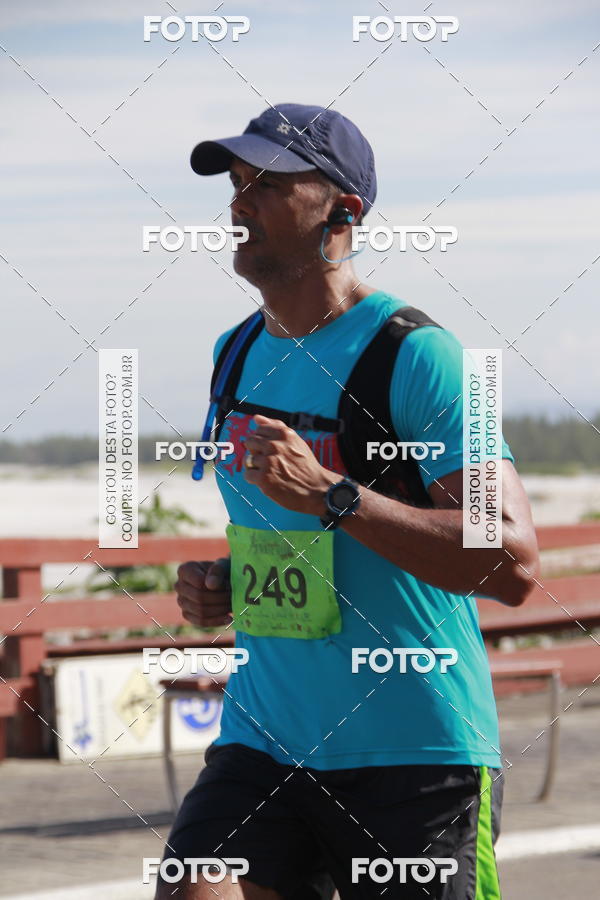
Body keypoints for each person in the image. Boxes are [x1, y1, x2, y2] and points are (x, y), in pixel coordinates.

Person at [156, 103, 540, 899]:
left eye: (265, 182)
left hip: (413, 753)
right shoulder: (236, 353)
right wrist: (223, 581)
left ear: (343, 210)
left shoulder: (415, 355)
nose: (238, 202)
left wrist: (334, 495)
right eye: (234, 184)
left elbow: (511, 562)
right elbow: (281, 529)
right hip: (265, 738)